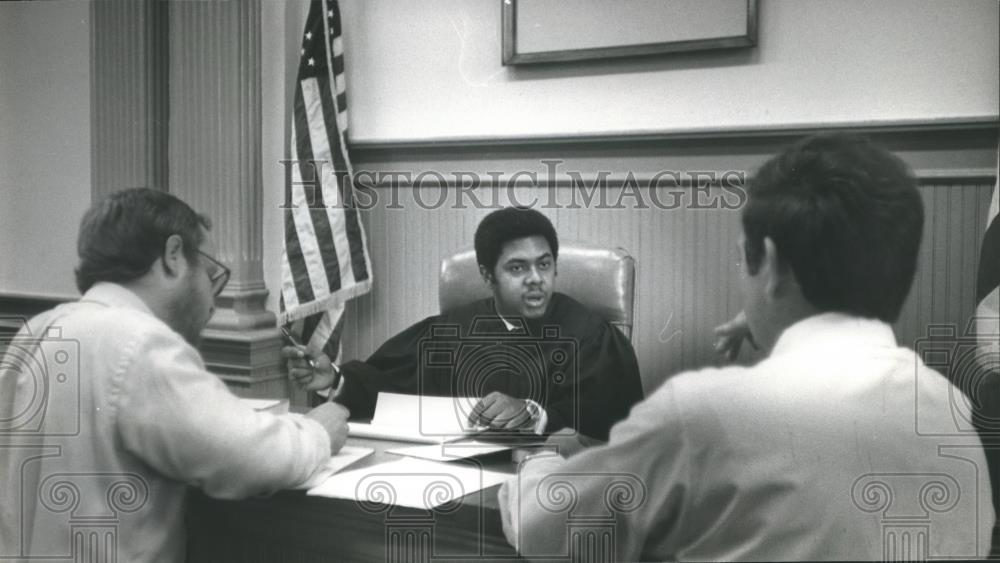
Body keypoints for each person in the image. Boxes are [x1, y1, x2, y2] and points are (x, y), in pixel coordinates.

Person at [498, 134, 995, 561]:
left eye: (745, 263)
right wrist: (780, 322)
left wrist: (539, 460)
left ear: (773, 264)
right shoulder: (952, 408)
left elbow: (548, 530)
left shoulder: (706, 413)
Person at [0, 188, 348, 563]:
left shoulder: (36, 330)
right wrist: (318, 433)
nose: (213, 302)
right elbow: (251, 457)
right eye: (211, 275)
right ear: (173, 256)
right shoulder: (141, 342)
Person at [283, 207, 643, 442]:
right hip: (451, 479)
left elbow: (609, 421)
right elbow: (389, 384)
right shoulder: (451, 331)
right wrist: (334, 377)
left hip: (543, 487)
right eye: (517, 268)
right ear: (488, 276)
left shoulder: (589, 336)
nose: (536, 279)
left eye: (544, 264)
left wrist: (535, 414)